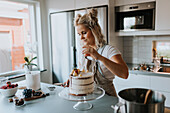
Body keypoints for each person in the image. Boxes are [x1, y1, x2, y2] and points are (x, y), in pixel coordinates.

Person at [63, 8, 129, 96]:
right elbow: (82, 72)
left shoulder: (108, 50)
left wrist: (99, 57)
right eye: (79, 34)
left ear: (94, 31)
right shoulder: (83, 52)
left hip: (107, 99)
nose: (81, 37)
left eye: (84, 33)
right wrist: (74, 79)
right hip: (90, 98)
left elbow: (124, 74)